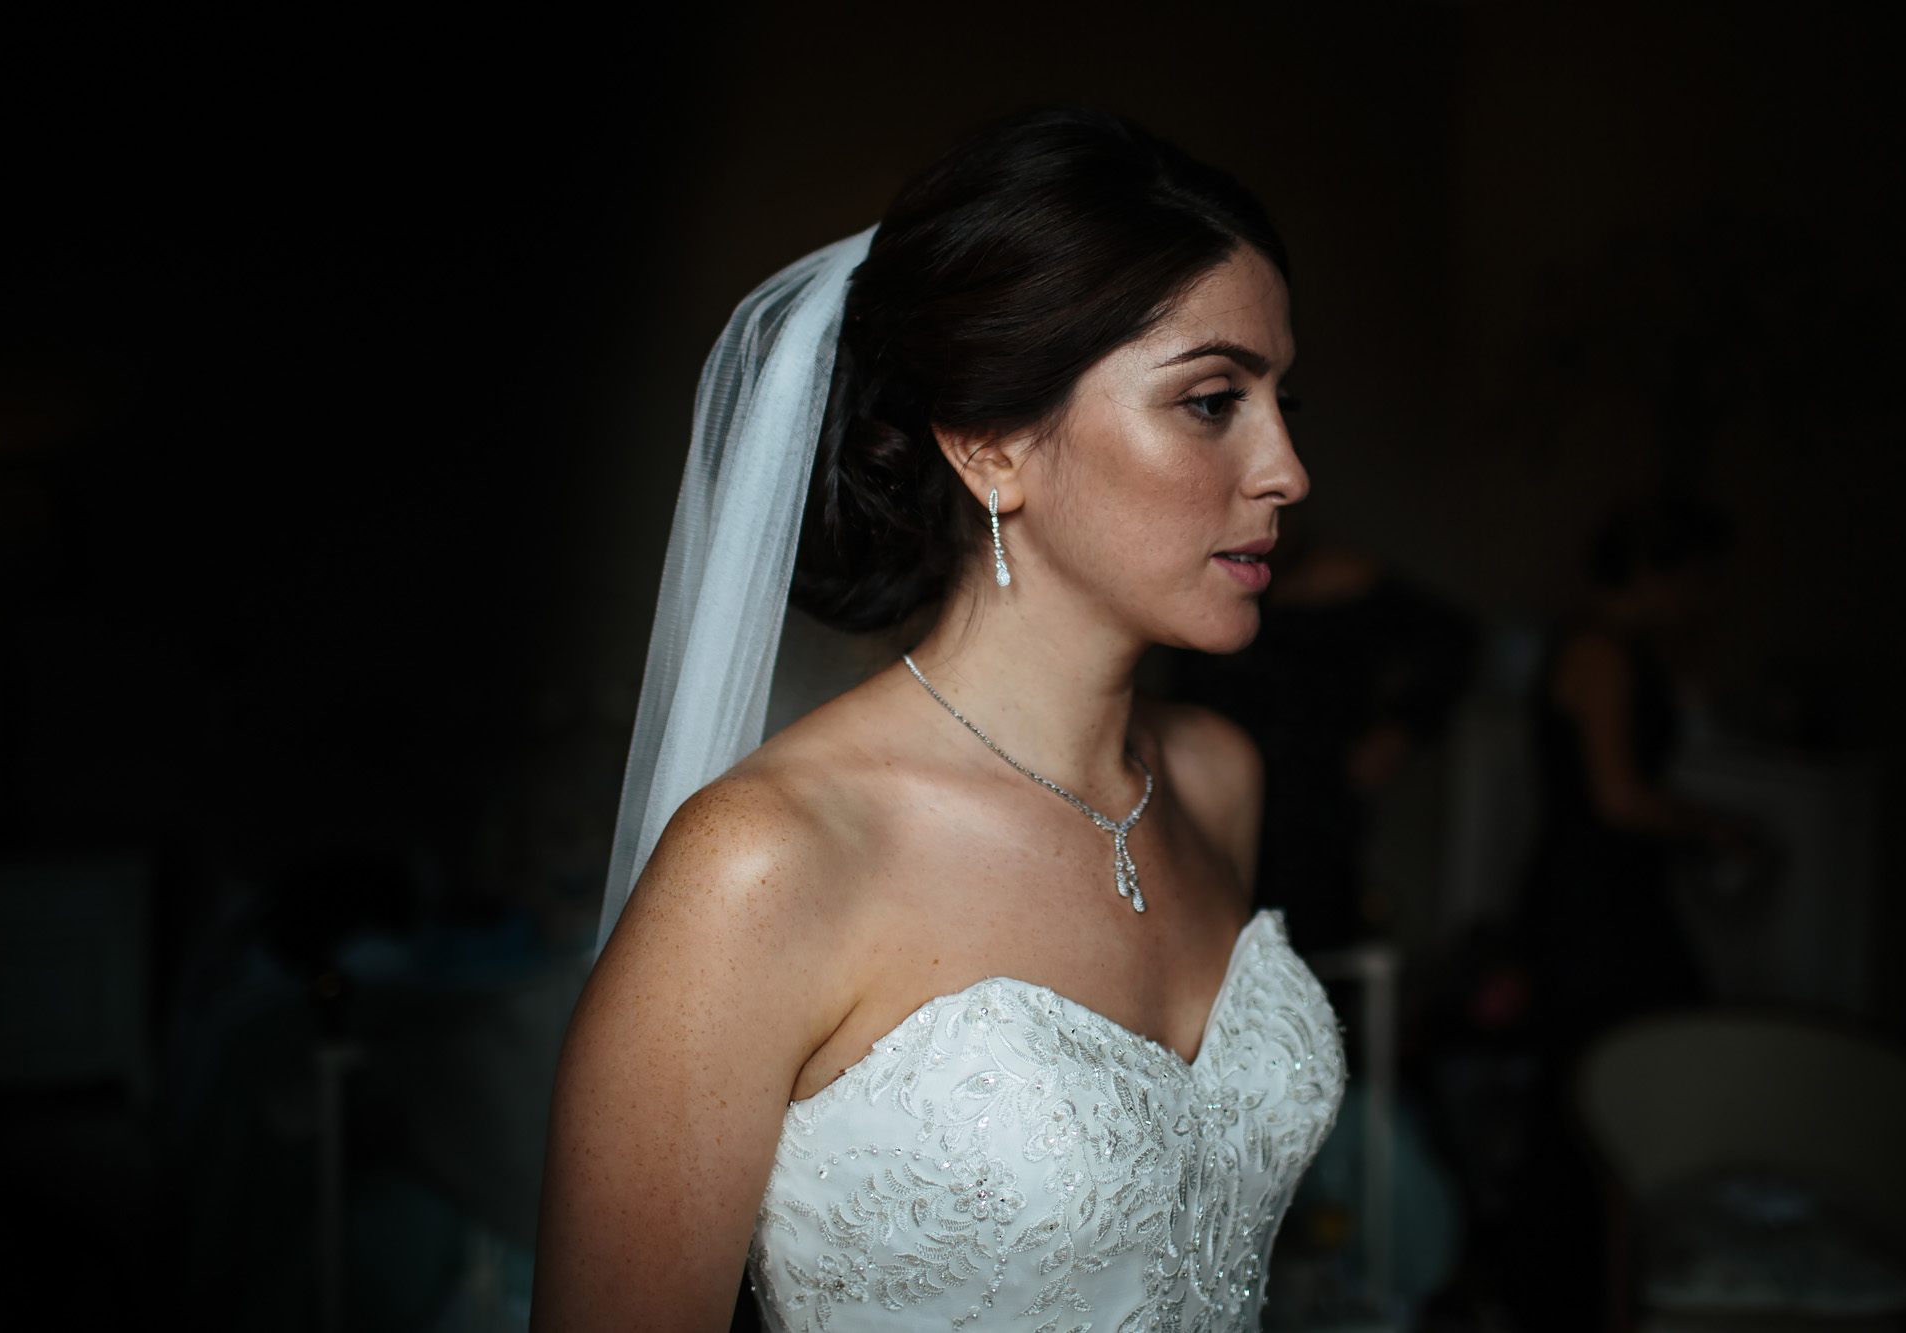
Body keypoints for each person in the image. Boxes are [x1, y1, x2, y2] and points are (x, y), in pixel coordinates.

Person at [531, 109, 1347, 1332]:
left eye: (1281, 399)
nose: (1284, 470)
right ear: (989, 444)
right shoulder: (762, 863)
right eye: (1212, 400)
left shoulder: (1213, 781)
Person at [1173, 522, 1477, 948]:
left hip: (1314, 794)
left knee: (1311, 929)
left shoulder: (1346, 582)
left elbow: (1454, 642)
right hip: (1207, 790)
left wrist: (1399, 730)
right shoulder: (1198, 583)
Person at [1522, 491, 1741, 1051]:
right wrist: (1714, 828)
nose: (1706, 602)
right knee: (1633, 1053)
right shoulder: (1602, 653)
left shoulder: (1618, 649)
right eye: (1698, 581)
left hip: (1608, 891)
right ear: (1650, 572)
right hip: (1594, 901)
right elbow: (1618, 796)